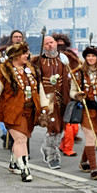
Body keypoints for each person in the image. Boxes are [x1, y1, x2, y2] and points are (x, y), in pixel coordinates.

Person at [0, 42, 51, 182]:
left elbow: (40, 89)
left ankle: (13, 162)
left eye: (26, 53)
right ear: (15, 56)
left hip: (30, 111)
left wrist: (45, 106)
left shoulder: (32, 69)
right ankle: (25, 168)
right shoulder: (3, 71)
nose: (26, 55)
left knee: (22, 138)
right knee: (21, 139)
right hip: (12, 111)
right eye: (23, 53)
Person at [70, 45, 97, 180]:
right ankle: (94, 169)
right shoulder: (77, 73)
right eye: (88, 56)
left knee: (93, 138)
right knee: (90, 137)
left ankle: (84, 162)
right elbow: (71, 91)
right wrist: (77, 95)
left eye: (93, 55)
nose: (90, 58)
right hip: (84, 109)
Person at [33, 34, 74, 169]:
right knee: (53, 127)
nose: (50, 45)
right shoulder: (38, 61)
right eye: (46, 44)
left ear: (56, 43)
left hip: (63, 97)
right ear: (43, 47)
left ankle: (46, 147)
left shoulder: (64, 59)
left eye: (51, 42)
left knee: (61, 126)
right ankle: (53, 156)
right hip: (48, 99)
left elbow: (73, 76)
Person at [0, 30, 25, 148]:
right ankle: (7, 134)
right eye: (15, 37)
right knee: (4, 112)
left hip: (20, 86)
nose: (18, 39)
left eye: (20, 37)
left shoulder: (26, 53)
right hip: (5, 84)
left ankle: (15, 137)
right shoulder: (2, 52)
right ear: (11, 38)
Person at [55, 33, 83, 155]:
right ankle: (66, 147)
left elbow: (79, 70)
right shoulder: (49, 58)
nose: (60, 45)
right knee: (60, 125)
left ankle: (65, 146)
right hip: (55, 95)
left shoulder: (72, 57)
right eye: (58, 43)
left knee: (72, 124)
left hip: (71, 94)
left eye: (62, 43)